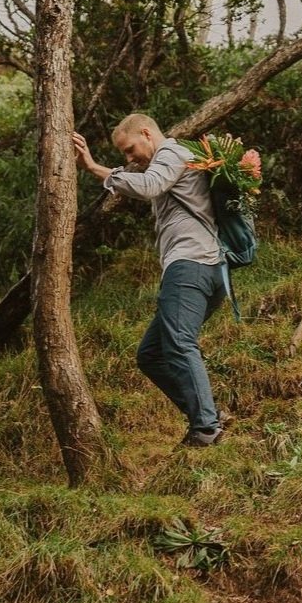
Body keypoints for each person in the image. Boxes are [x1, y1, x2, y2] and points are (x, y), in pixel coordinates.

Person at [73, 113, 227, 447]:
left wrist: (97, 169)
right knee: (151, 354)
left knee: (181, 343)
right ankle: (207, 414)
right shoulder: (175, 160)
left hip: (191, 265)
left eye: (130, 149)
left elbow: (148, 186)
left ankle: (206, 428)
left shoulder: (170, 154)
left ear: (146, 133)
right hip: (204, 269)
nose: (129, 159)